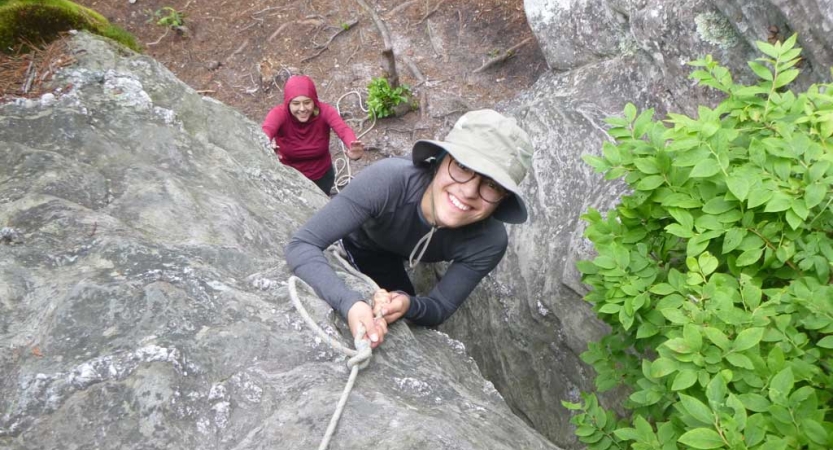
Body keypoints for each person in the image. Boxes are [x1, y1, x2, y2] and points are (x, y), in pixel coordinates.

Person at [285, 109, 534, 348]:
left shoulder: (487, 241)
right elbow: (302, 245)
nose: (468, 192)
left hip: (395, 253)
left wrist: (408, 304)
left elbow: (439, 307)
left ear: (503, 199)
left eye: (491, 185)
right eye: (463, 167)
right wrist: (350, 303)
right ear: (437, 161)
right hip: (362, 243)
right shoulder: (388, 182)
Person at [262, 75, 364, 194]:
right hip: (291, 178)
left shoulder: (325, 111)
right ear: (288, 103)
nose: (302, 108)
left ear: (314, 101)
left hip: (322, 177)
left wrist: (353, 146)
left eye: (307, 102)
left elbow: (343, 129)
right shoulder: (279, 114)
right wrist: (265, 145)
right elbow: (266, 130)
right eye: (296, 103)